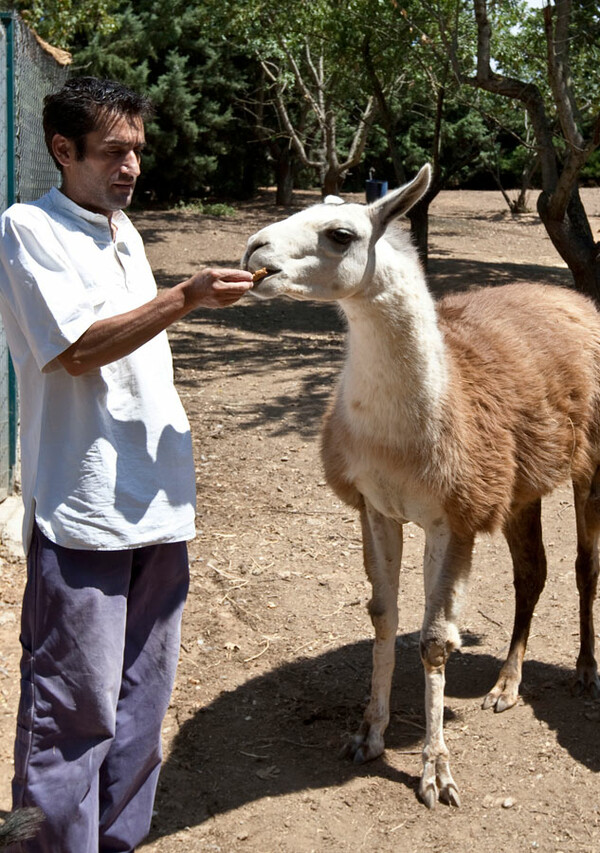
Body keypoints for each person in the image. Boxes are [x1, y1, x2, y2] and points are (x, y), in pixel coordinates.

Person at [0, 76, 253, 852]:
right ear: (62, 150)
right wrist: (187, 296)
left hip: (157, 507)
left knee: (142, 707)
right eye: (113, 151)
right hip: (82, 516)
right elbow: (77, 350)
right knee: (71, 714)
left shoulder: (122, 230)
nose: (131, 167)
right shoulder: (26, 228)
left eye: (137, 151)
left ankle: (116, 841)